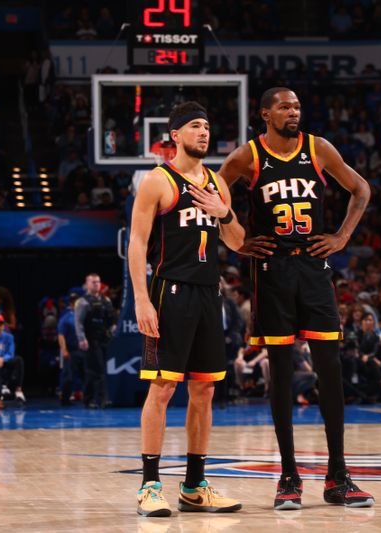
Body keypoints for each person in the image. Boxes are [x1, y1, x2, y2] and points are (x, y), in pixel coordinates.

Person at [219, 87, 374, 510]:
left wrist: (341, 237)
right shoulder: (246, 156)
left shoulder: (318, 148)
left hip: (314, 270)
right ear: (266, 113)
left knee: (331, 372)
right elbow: (212, 193)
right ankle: (288, 475)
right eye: (285, 106)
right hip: (271, 273)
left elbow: (361, 190)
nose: (294, 112)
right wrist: (235, 239)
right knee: (281, 377)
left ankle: (338, 475)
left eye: (298, 106)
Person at [128, 101, 244, 517]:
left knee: (205, 389)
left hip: (208, 294)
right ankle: (149, 486)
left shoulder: (217, 183)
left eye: (207, 126)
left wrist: (224, 211)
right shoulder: (157, 181)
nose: (204, 132)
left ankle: (195, 485)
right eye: (195, 125)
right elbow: (137, 244)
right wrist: (141, 298)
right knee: (162, 388)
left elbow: (237, 241)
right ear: (175, 134)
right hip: (169, 292)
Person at [74, 274, 114, 408]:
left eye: (98, 282)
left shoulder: (106, 300)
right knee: (97, 370)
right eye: (93, 282)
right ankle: (102, 399)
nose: (96, 284)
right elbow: (78, 322)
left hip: (103, 339)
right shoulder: (82, 302)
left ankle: (89, 399)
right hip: (90, 340)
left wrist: (112, 332)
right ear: (87, 284)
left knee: (95, 371)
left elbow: (111, 320)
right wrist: (82, 338)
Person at [0, 314, 26, 408]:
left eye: (1, 325)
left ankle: (18, 389)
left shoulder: (9, 337)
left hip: (5, 361)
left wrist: (2, 359)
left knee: (18, 360)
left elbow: (11, 352)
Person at [58, 293, 84, 406]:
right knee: (68, 376)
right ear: (71, 303)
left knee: (87, 375)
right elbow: (61, 335)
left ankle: (88, 398)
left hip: (83, 350)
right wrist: (64, 350)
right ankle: (65, 398)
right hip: (70, 351)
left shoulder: (82, 315)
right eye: (74, 302)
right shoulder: (66, 317)